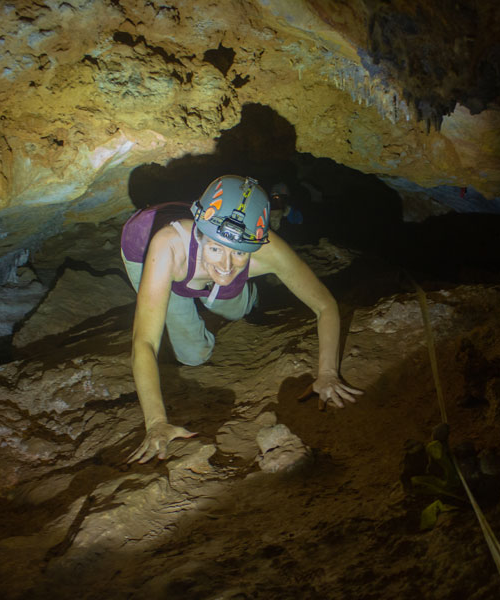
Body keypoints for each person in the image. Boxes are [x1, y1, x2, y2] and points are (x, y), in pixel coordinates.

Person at [120, 175, 361, 463]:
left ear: (255, 246)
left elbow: (324, 305)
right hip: (146, 248)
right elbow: (144, 341)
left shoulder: (268, 251)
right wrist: (156, 422)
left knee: (233, 308)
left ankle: (245, 297)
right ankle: (191, 294)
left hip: (201, 250)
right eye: (215, 249)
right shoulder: (166, 246)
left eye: (238, 253)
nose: (224, 264)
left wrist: (327, 373)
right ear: (201, 234)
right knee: (194, 355)